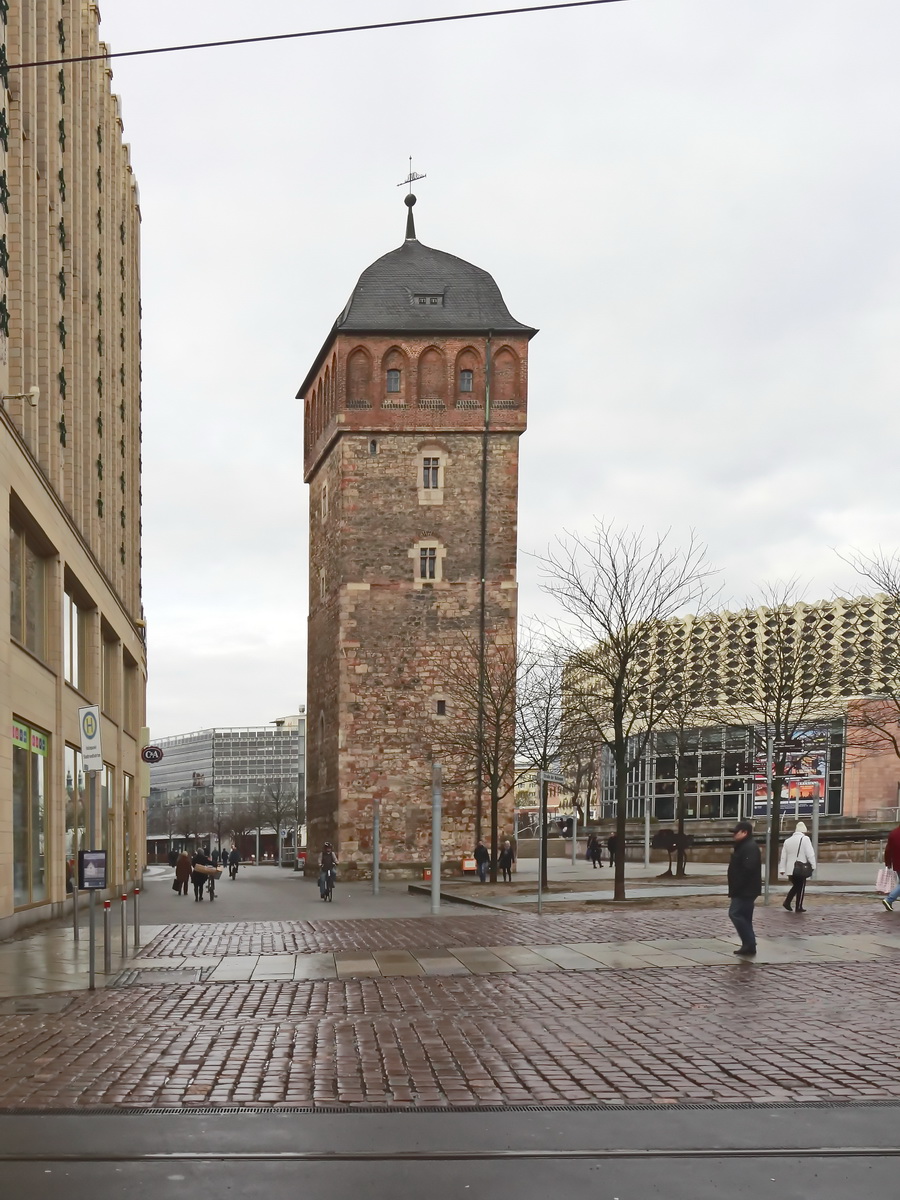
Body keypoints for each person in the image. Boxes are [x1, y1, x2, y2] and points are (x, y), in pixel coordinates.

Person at [727, 820, 762, 957]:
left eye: (736, 832)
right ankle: (749, 945)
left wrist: (738, 884)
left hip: (745, 889)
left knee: (735, 913)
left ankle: (749, 942)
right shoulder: (744, 846)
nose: (734, 835)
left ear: (745, 832)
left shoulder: (749, 847)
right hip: (745, 888)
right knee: (745, 916)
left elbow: (748, 868)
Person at [779, 820, 816, 912]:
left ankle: (788, 902)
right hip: (800, 868)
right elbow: (810, 854)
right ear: (804, 831)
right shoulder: (805, 839)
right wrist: (813, 865)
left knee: (796, 886)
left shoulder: (787, 841)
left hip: (790, 869)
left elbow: (783, 856)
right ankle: (797, 906)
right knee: (800, 887)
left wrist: (782, 868)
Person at [880, 822, 900, 911]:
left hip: (897, 863)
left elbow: (888, 849)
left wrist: (888, 862)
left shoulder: (893, 833)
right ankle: (889, 899)